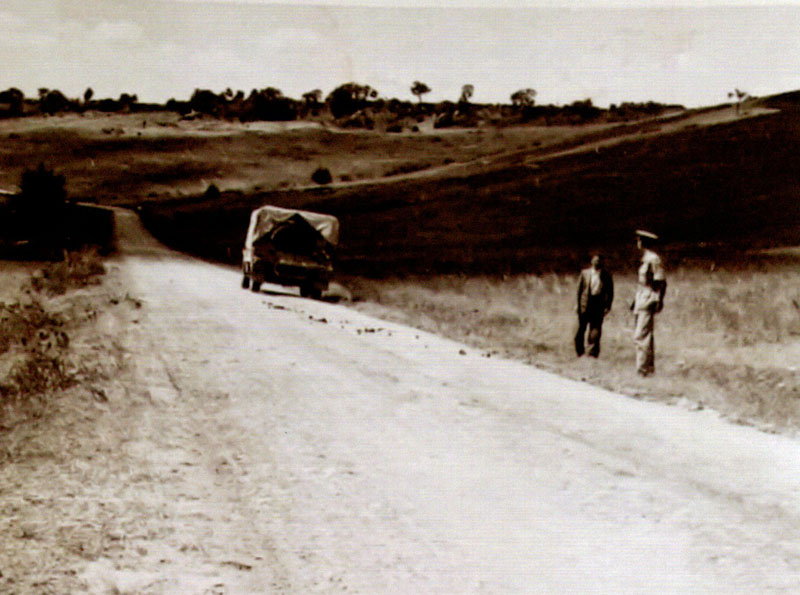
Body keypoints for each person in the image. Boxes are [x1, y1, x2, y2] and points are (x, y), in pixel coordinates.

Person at [631, 230, 667, 376]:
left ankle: (643, 370)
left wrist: (658, 300)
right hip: (641, 297)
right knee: (643, 335)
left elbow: (661, 281)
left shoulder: (653, 259)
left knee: (641, 335)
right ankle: (648, 368)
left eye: (639, 240)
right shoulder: (646, 258)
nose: (638, 242)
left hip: (648, 297)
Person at [575, 253, 614, 357]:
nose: (597, 263)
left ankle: (592, 353)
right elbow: (579, 291)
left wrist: (608, 306)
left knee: (596, 329)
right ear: (591, 261)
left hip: (598, 304)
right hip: (585, 304)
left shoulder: (606, 275)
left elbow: (610, 292)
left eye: (599, 261)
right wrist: (577, 305)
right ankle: (579, 352)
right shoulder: (584, 273)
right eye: (595, 261)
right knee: (581, 329)